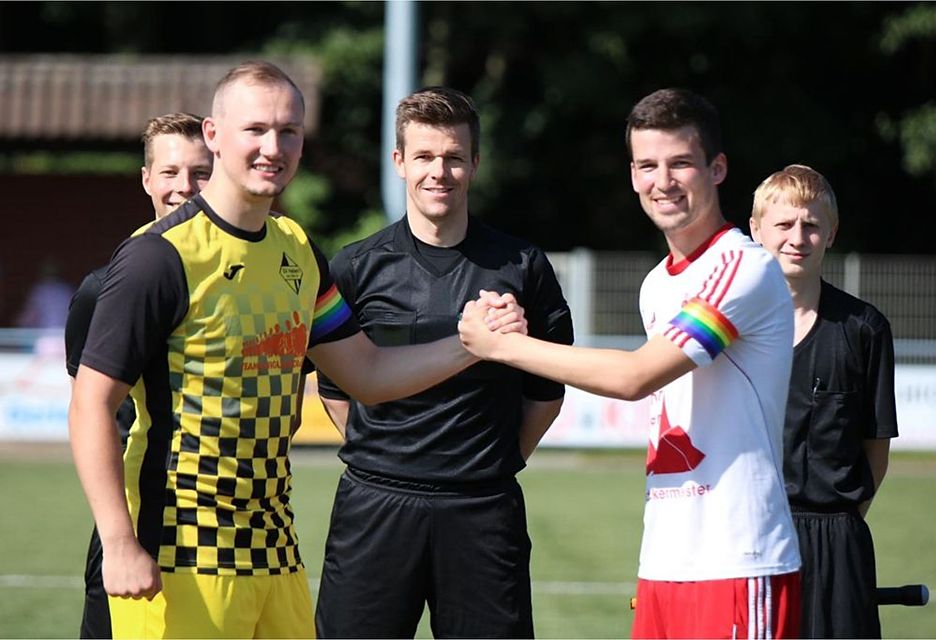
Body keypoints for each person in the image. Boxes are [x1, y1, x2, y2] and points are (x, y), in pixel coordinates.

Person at [67, 62, 520, 639]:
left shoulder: (297, 249)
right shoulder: (159, 258)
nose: (272, 147)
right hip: (180, 554)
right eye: (255, 129)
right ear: (214, 135)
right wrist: (118, 542)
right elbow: (90, 406)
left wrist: (471, 342)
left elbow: (367, 372)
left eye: (289, 131)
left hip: (274, 552)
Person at [459, 88, 802, 639]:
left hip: (738, 559)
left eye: (680, 163)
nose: (661, 181)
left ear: (716, 169)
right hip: (665, 562)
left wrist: (502, 346)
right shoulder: (656, 284)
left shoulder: (742, 267)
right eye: (647, 165)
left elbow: (635, 376)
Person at [313, 87, 574, 639]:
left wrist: (485, 462)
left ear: (475, 163)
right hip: (375, 506)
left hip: (482, 509)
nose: (440, 171)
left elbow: (546, 394)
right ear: (399, 162)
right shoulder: (355, 267)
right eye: (426, 157)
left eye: (454, 157)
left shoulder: (522, 266)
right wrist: (391, 456)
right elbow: (336, 390)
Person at [64, 112, 213, 639]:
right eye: (170, 172)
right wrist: (118, 537)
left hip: (227, 527)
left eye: (201, 171)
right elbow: (93, 409)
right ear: (147, 180)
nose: (185, 188)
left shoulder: (249, 273)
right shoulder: (102, 289)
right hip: (133, 517)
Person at [749, 164, 898, 638]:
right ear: (756, 230)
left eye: (811, 225)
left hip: (838, 540)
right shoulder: (728, 330)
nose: (798, 237)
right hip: (748, 538)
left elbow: (876, 452)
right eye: (784, 224)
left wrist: (837, 531)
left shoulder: (864, 328)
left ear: (831, 233)